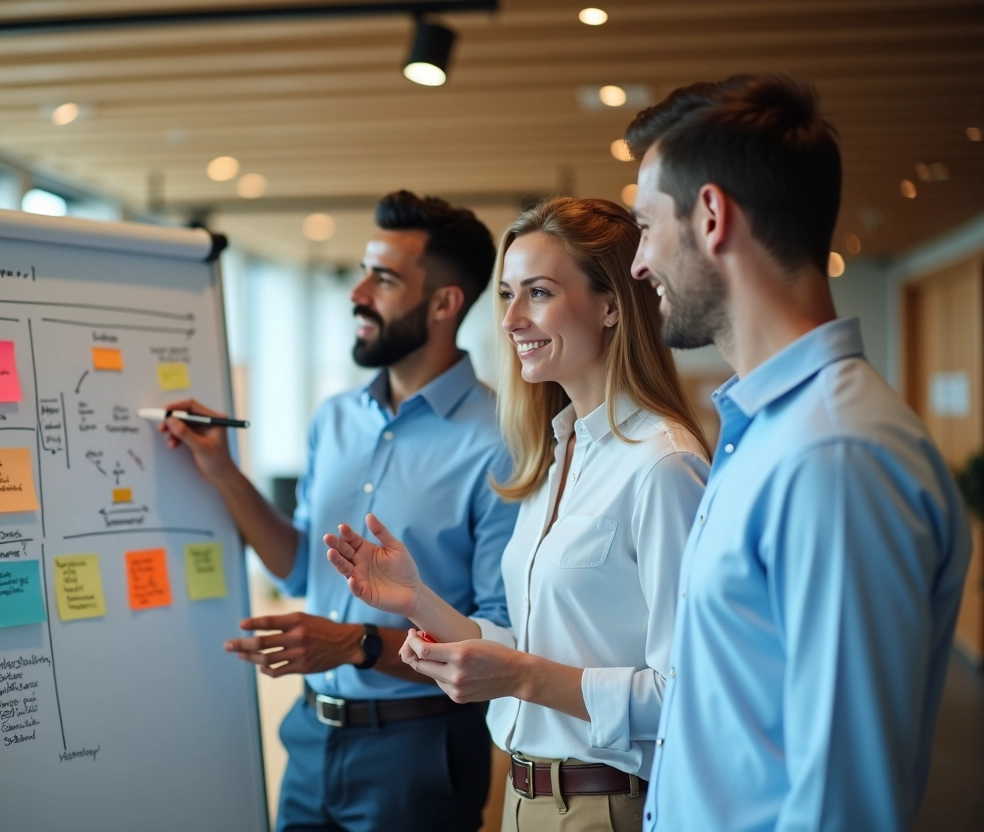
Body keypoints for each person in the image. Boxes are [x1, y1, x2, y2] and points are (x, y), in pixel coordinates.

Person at [623, 73, 972, 832]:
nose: (638, 263)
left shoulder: (834, 456)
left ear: (711, 215)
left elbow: (845, 803)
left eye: (646, 227)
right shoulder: (767, 432)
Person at [324, 196, 711, 832]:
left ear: (612, 304)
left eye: (538, 292)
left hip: (607, 804)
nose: (510, 319)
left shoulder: (662, 466)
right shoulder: (557, 453)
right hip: (525, 798)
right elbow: (530, 649)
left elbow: (690, 695)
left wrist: (527, 678)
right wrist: (418, 601)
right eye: (507, 294)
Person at [160, 191, 518, 832]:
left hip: (420, 752)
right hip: (308, 736)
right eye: (363, 271)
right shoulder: (335, 419)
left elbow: (495, 639)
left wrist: (354, 645)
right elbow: (301, 569)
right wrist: (221, 469)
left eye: (383, 279)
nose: (357, 293)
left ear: (444, 303)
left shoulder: (499, 443)